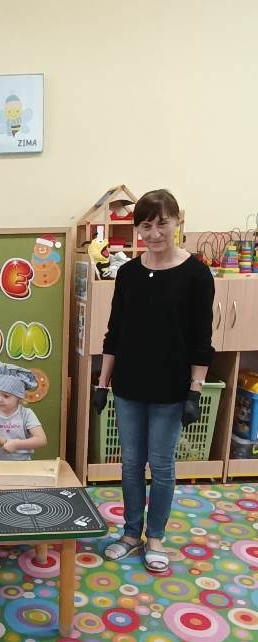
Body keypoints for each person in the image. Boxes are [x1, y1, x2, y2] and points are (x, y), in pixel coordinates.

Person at [93, 189, 215, 572]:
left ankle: (156, 537)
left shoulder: (196, 274)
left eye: (162, 223)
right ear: (138, 229)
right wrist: (102, 384)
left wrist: (195, 390)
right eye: (146, 225)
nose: (154, 233)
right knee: (130, 463)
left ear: (177, 222)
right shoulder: (128, 273)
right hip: (129, 386)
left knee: (161, 466)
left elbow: (202, 340)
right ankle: (131, 534)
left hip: (171, 389)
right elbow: (114, 333)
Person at [0, 360, 47, 460]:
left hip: (23, 464)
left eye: (6, 396)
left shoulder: (26, 414)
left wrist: (17, 444)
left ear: (19, 397)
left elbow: (41, 439)